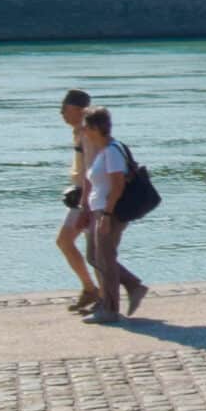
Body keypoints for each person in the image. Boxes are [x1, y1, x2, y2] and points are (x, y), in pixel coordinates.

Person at [77, 107, 150, 324]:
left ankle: (109, 310)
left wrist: (107, 215)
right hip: (99, 210)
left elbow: (118, 185)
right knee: (94, 256)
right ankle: (133, 285)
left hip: (110, 211)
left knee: (105, 260)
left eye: (86, 127)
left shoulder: (111, 152)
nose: (83, 131)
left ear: (96, 128)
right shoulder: (104, 150)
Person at [57, 89, 102, 313]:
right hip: (83, 195)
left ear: (77, 109)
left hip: (90, 197)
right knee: (69, 243)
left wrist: (85, 203)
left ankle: (104, 295)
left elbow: (91, 170)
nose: (61, 113)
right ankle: (91, 290)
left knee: (94, 250)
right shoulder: (79, 131)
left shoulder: (87, 133)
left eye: (63, 108)